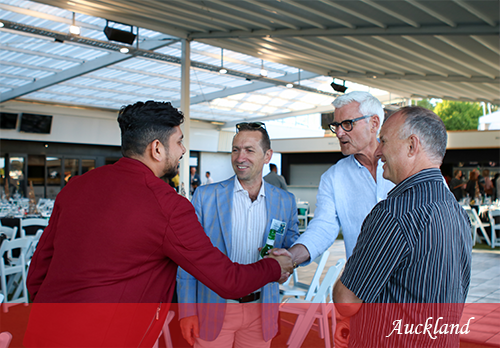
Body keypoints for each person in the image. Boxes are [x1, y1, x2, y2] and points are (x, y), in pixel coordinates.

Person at [24, 101, 293, 348]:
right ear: (156, 148)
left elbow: (37, 270)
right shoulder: (168, 205)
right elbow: (228, 281)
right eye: (179, 142)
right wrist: (274, 266)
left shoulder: (77, 186)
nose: (183, 150)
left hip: (42, 330)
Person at [333, 106, 472, 347]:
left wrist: (351, 263)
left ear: (411, 146)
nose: (378, 151)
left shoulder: (395, 213)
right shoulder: (457, 212)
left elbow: (346, 301)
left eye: (384, 141)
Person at [177, 122, 300, 348]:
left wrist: (288, 263)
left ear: (267, 155)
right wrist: (186, 311)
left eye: (249, 150)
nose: (239, 157)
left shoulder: (285, 201)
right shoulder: (206, 196)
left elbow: (292, 245)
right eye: (235, 149)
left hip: (261, 307)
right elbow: (187, 259)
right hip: (213, 305)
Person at [274, 91, 395, 267]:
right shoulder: (333, 177)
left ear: (374, 123)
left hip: (412, 284)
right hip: (362, 285)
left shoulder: (407, 165)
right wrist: (291, 257)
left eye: (347, 124)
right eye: (336, 125)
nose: (338, 133)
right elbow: (323, 227)